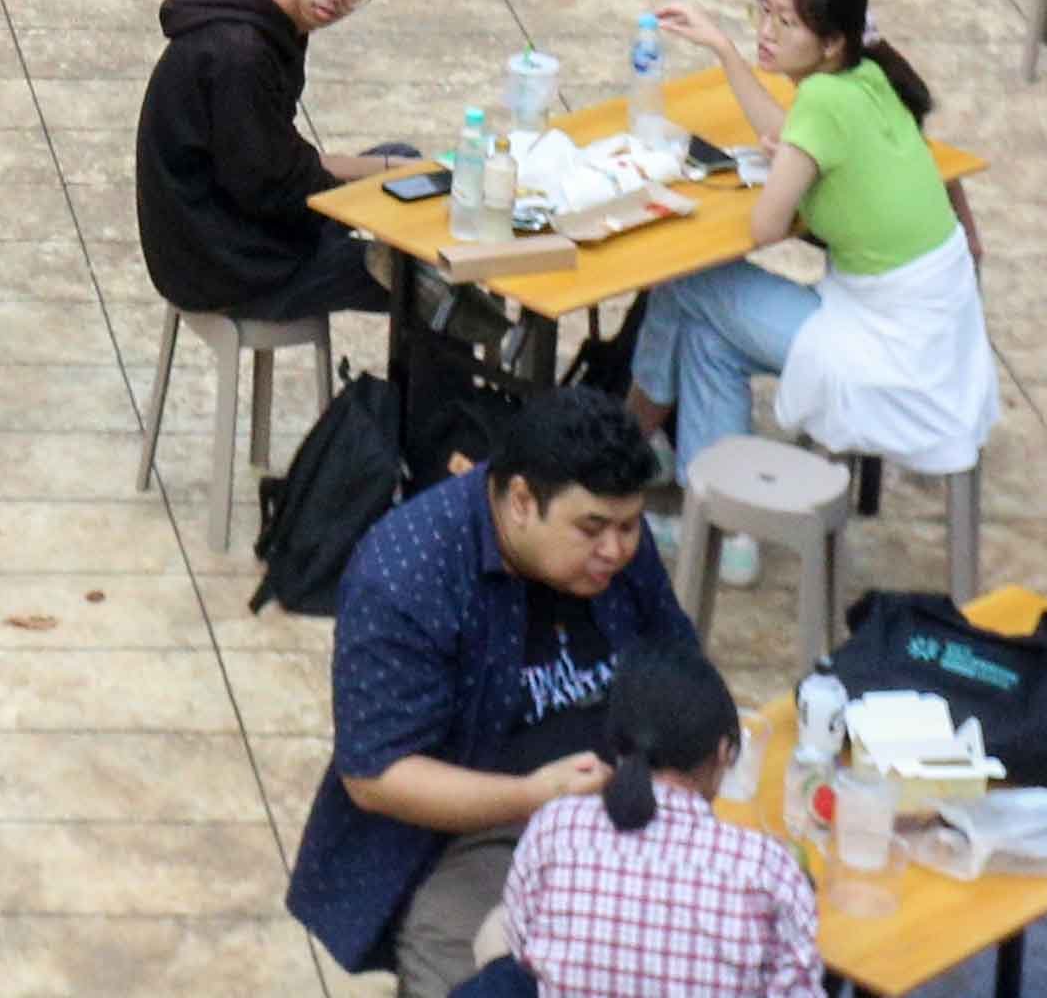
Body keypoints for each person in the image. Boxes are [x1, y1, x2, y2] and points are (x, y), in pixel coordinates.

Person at [289, 385, 694, 997]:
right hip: (478, 832)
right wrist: (533, 796)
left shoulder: (610, 541)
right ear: (522, 502)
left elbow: (678, 659)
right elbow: (375, 776)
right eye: (593, 529)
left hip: (630, 799)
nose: (617, 550)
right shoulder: (407, 572)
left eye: (631, 527)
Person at [632, 0, 1000, 498]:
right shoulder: (868, 77)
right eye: (764, 13)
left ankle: (625, 449)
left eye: (787, 24)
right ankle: (725, 529)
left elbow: (764, 228)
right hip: (938, 339)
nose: (767, 32)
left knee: (683, 284)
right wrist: (724, 50)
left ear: (831, 43)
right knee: (710, 340)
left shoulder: (823, 103)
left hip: (885, 348)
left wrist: (786, 163)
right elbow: (795, 133)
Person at [135, 0, 419, 329]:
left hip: (234, 223)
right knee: (422, 281)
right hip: (225, 262)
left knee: (405, 166)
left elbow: (269, 156)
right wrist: (376, 178)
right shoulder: (240, 53)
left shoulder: (266, 11)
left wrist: (387, 169)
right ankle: (446, 400)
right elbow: (269, 185)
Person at [500, 648, 824, 998]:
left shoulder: (554, 829)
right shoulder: (767, 870)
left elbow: (523, 950)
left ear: (617, 742)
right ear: (724, 753)